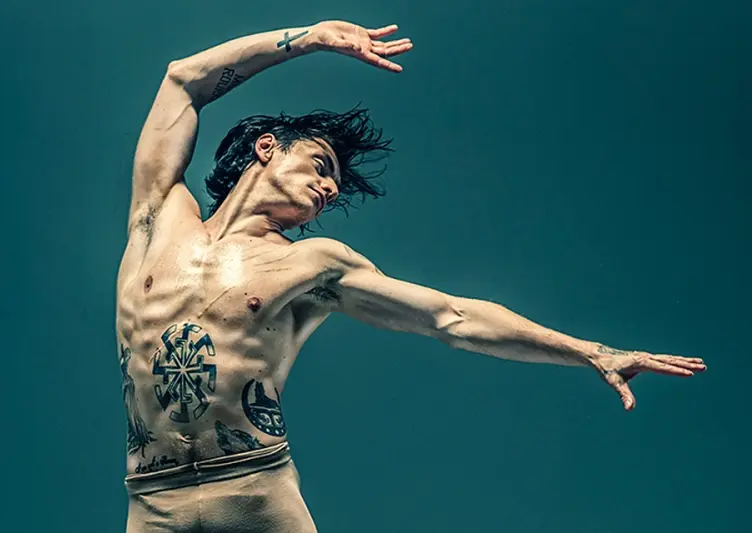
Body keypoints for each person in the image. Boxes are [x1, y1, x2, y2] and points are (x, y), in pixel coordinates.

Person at [116, 19, 706, 533]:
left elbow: (452, 317)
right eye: (321, 166)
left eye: (334, 185)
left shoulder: (312, 263)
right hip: (152, 505)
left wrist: (588, 351)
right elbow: (183, 80)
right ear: (268, 148)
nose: (328, 188)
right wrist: (311, 38)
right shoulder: (157, 219)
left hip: (253, 493)